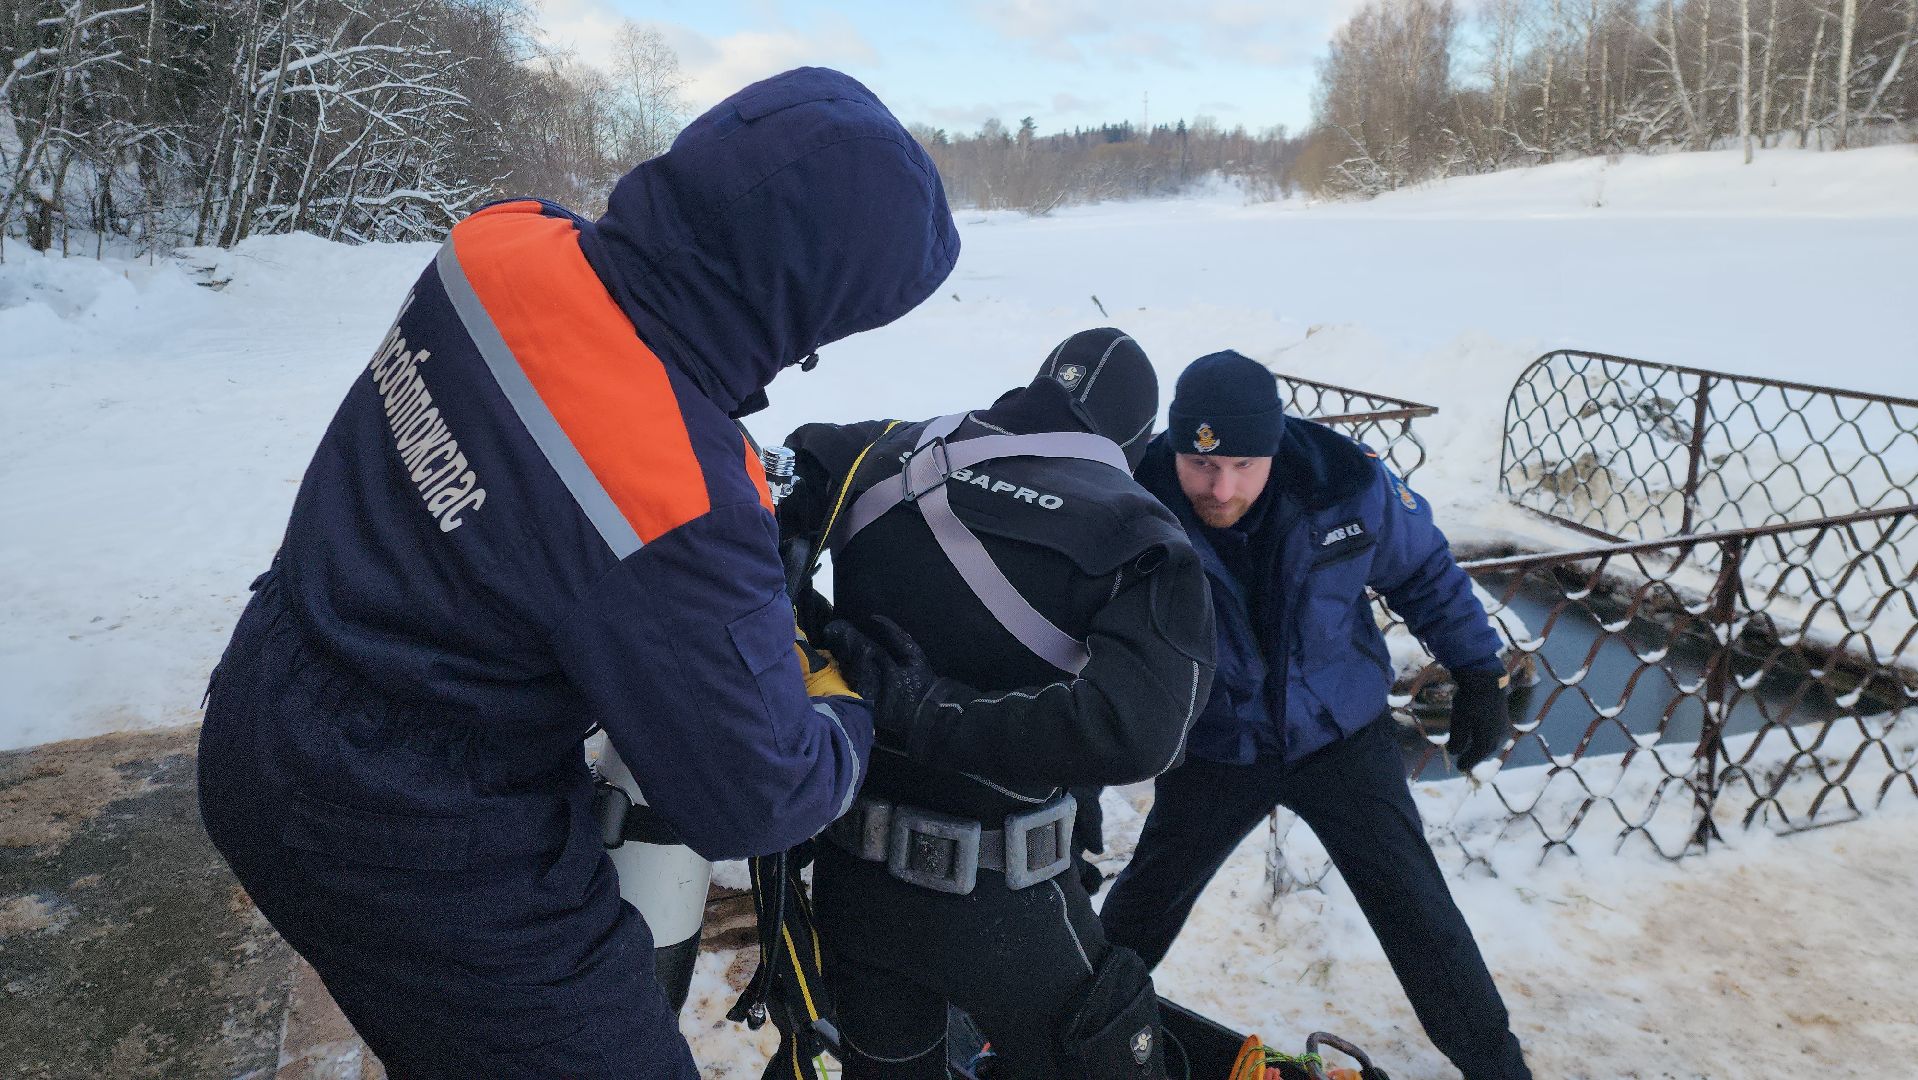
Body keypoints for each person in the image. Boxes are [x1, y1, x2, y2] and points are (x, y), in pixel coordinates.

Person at [195, 68, 959, 1079]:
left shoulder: (499, 241)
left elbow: (532, 488)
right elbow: (756, 796)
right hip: (411, 831)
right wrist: (847, 708)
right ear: (811, 305)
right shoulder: (674, 493)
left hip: (265, 697)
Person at [773, 328, 1217, 1079]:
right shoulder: (1135, 530)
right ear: (1135, 440)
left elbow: (747, 507)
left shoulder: (877, 450)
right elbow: (1145, 732)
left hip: (853, 883)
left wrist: (825, 641)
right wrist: (934, 713)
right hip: (1007, 899)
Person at [1098, 350, 1533, 1080]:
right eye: (1201, 465)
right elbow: (1083, 621)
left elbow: (1423, 570)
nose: (1221, 488)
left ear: (1273, 446)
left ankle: (1497, 1065)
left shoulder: (1344, 482)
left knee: (1417, 909)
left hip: (1339, 735)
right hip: (1217, 742)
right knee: (1143, 905)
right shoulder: (1135, 500)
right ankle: (1062, 1040)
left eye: (1242, 465)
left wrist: (1477, 671)